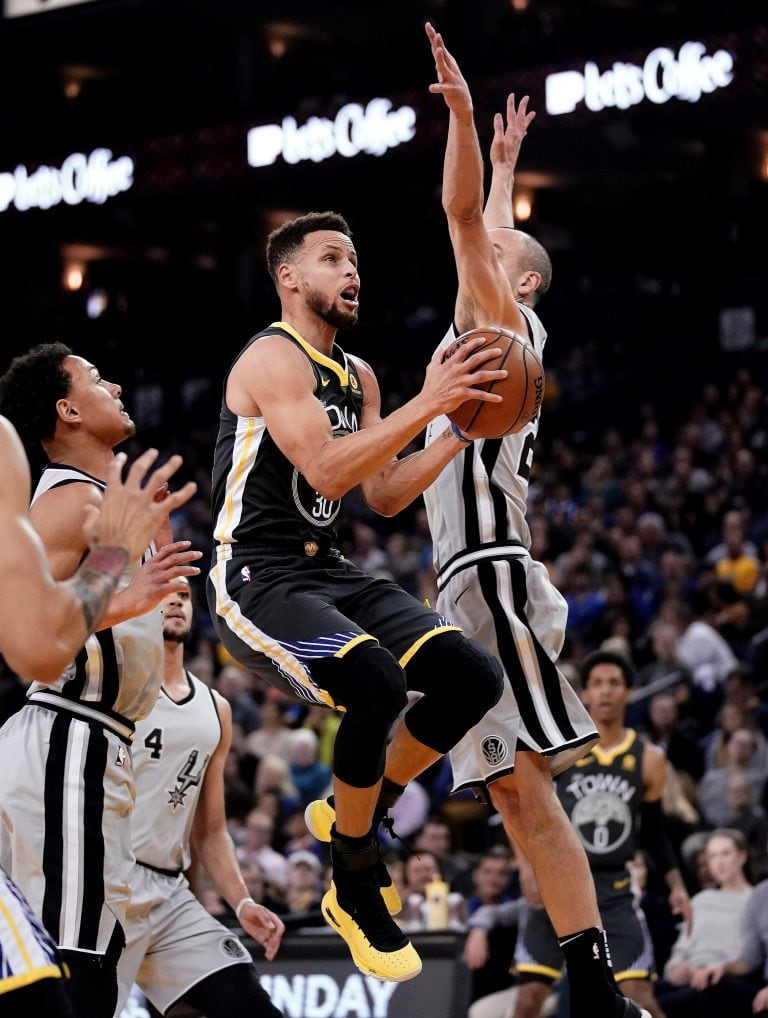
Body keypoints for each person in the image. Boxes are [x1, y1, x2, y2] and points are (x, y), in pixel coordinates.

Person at [206, 199, 510, 980]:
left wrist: (453, 434)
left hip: (325, 566)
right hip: (254, 575)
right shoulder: (272, 359)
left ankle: (359, 812)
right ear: (288, 276)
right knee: (372, 679)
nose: (352, 271)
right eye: (333, 258)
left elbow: (378, 494)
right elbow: (326, 471)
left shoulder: (360, 374)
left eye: (354, 260)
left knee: (471, 676)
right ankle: (354, 876)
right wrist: (434, 400)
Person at [419, 23, 644, 1018]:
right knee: (511, 793)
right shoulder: (503, 315)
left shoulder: (506, 319)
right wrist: (510, 166)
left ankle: (596, 987)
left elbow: (471, 227)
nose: (483, 253)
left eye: (502, 253)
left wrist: (468, 132)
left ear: (521, 282)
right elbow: (493, 235)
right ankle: (591, 980)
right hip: (470, 573)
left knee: (532, 782)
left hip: (493, 570)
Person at [0, 343, 200, 1018]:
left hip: (99, 738)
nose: (115, 383)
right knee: (76, 953)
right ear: (67, 410)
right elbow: (25, 631)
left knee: (90, 947)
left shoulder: (109, 504)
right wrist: (127, 590)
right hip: (66, 729)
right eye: (94, 378)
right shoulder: (67, 502)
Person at [115, 579, 285, 1018]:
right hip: (103, 886)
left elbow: (209, 831)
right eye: (163, 592)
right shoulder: (113, 687)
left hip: (167, 894)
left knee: (253, 1008)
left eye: (185, 595)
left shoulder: (216, 709)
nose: (175, 601)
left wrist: (241, 901)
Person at [512, 651, 693, 1018]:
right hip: (558, 880)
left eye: (614, 683)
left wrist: (676, 885)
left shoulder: (650, 758)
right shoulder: (560, 749)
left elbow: (655, 832)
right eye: (597, 684)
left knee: (639, 993)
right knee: (529, 998)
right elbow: (520, 807)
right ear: (586, 694)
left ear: (628, 692)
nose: (606, 692)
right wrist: (525, 867)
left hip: (614, 888)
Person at [653, 828, 753, 1018]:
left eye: (725, 853)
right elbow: (682, 947)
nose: (719, 862)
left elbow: (751, 954)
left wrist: (711, 968)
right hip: (688, 977)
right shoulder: (700, 900)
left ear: (742, 856)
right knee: (639, 994)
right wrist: (675, 967)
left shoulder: (755, 900)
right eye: (712, 856)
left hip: (724, 978)